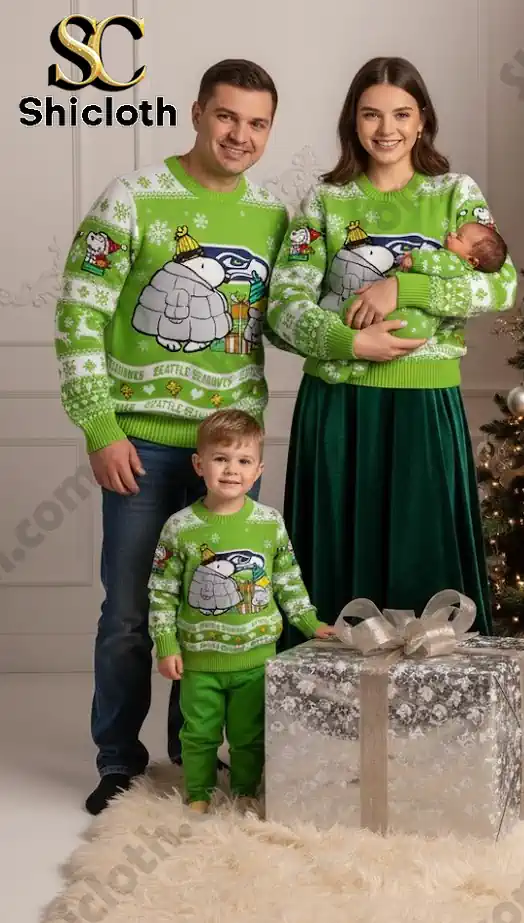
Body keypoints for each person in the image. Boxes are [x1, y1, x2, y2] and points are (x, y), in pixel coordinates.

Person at [54, 59, 288, 816]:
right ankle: (119, 762)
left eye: (256, 123)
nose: (240, 135)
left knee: (217, 610)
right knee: (128, 612)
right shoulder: (132, 198)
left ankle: (198, 754)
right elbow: (79, 311)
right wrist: (99, 425)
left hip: (230, 455)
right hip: (143, 448)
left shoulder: (273, 218)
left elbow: (286, 318)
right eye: (227, 117)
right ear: (197, 113)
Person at [267, 56, 517, 639]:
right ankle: (328, 719)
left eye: (401, 114)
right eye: (371, 114)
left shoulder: (455, 194)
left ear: (423, 119)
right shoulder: (325, 201)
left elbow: (500, 284)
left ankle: (430, 721)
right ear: (352, 122)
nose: (387, 129)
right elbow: (282, 306)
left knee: (424, 575)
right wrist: (349, 340)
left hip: (424, 408)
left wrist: (402, 285)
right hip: (337, 409)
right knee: (333, 576)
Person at [149, 409, 335, 813]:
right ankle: (198, 793)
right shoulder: (180, 527)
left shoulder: (268, 523)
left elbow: (287, 578)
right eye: (221, 459)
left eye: (243, 461)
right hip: (200, 658)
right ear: (200, 465)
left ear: (257, 470)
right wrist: (166, 644)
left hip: (256, 656)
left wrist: (308, 622)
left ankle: (246, 789)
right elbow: (161, 591)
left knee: (250, 734)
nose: (232, 470)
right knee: (198, 733)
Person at [324, 219, 510, 383]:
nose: (451, 234)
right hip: (421, 328)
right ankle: (356, 366)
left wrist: (415, 259)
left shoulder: (453, 261)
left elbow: (436, 263)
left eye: (459, 237)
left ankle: (345, 364)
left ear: (471, 260)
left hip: (410, 320)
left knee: (356, 311)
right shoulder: (462, 266)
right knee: (374, 342)